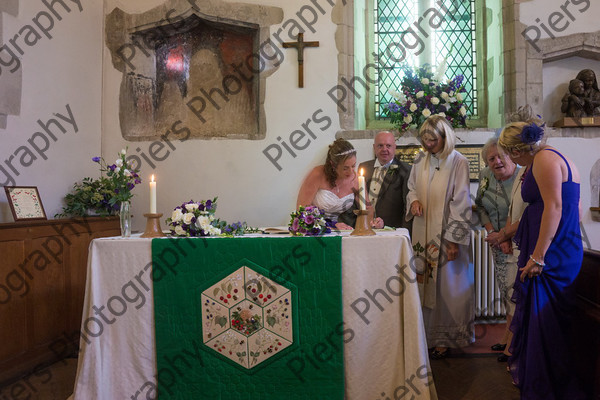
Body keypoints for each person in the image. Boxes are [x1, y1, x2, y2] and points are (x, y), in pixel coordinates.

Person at [499, 120, 586, 399]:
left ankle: (546, 387)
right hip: (561, 248)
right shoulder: (559, 157)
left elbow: (555, 207)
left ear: (516, 149)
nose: (511, 159)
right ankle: (547, 383)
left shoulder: (544, 159)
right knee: (547, 321)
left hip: (551, 255)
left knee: (544, 320)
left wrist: (539, 256)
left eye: (509, 152)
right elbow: (578, 211)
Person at [406, 115, 474, 359]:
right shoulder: (420, 160)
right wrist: (413, 201)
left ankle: (445, 339)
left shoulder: (458, 162)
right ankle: (424, 337)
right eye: (424, 140)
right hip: (422, 232)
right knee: (423, 284)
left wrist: (453, 240)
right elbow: (412, 187)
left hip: (446, 235)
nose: (428, 145)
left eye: (432, 140)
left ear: (445, 137)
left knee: (448, 290)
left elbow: (461, 202)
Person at [475, 137, 519, 362]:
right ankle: (507, 335)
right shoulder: (485, 177)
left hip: (517, 243)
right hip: (496, 240)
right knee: (504, 289)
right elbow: (480, 205)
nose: (497, 161)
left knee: (514, 292)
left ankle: (512, 343)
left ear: (511, 155)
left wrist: (507, 237)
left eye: (501, 156)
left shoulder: (522, 177)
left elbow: (525, 213)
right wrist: (492, 232)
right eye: (491, 158)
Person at [297, 138, 375, 229]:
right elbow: (301, 210)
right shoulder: (317, 174)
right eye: (345, 168)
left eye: (353, 166)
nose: (351, 172)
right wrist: (330, 226)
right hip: (312, 229)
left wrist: (372, 223)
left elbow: (368, 209)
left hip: (339, 230)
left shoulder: (357, 180)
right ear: (333, 165)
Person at [358, 131, 412, 230]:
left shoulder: (406, 170)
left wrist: (404, 232)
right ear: (374, 147)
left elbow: (407, 207)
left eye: (388, 145)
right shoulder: (364, 167)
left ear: (394, 147)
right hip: (364, 227)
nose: (384, 149)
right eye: (380, 145)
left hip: (391, 229)